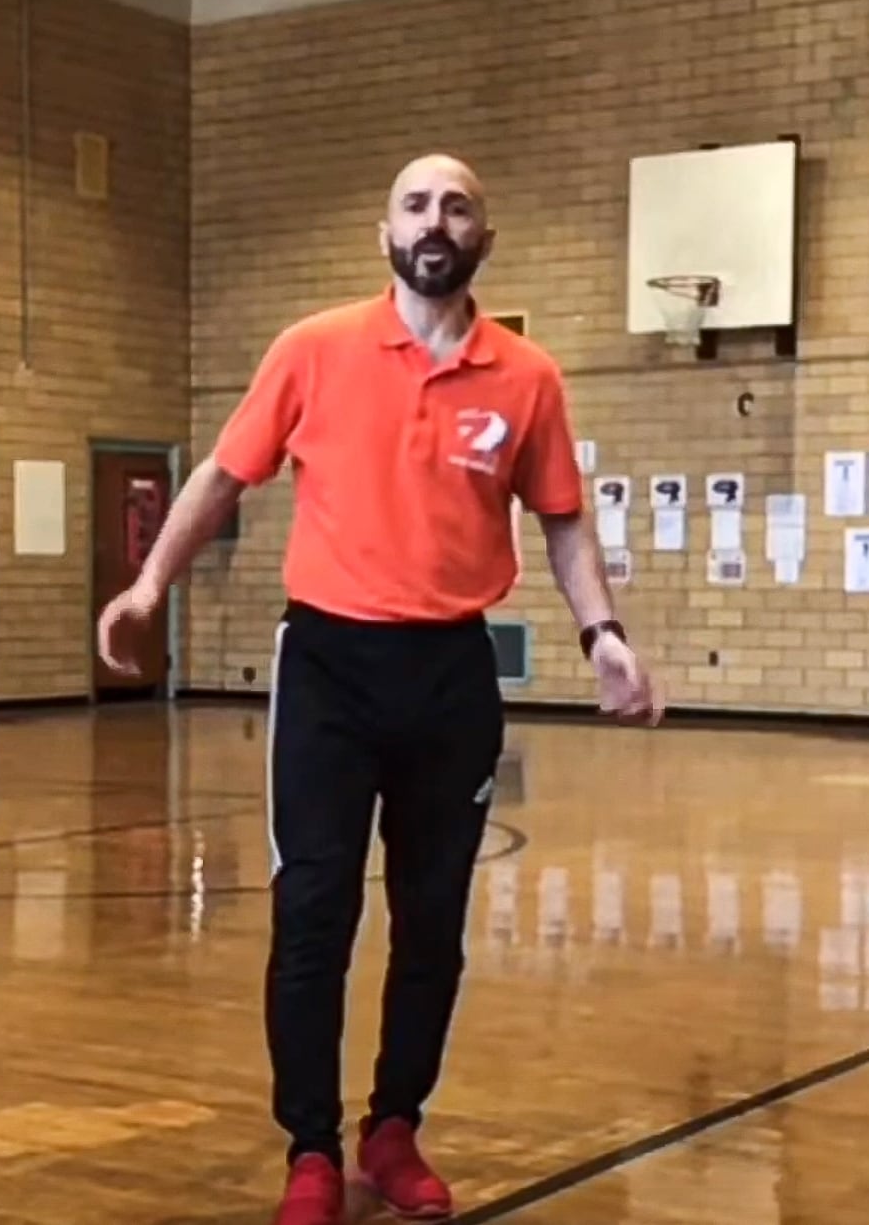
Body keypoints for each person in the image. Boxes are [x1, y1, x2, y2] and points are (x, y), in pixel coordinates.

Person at [97, 153, 662, 1225]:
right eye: (415, 204)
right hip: (327, 668)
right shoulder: (312, 349)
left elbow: (561, 518)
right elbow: (223, 474)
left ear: (483, 235)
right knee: (314, 909)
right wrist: (149, 583)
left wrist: (603, 634)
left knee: (431, 919)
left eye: (456, 205)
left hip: (451, 673)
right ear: (385, 233)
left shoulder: (527, 377)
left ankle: (393, 1126)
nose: (434, 220)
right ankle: (310, 1147)